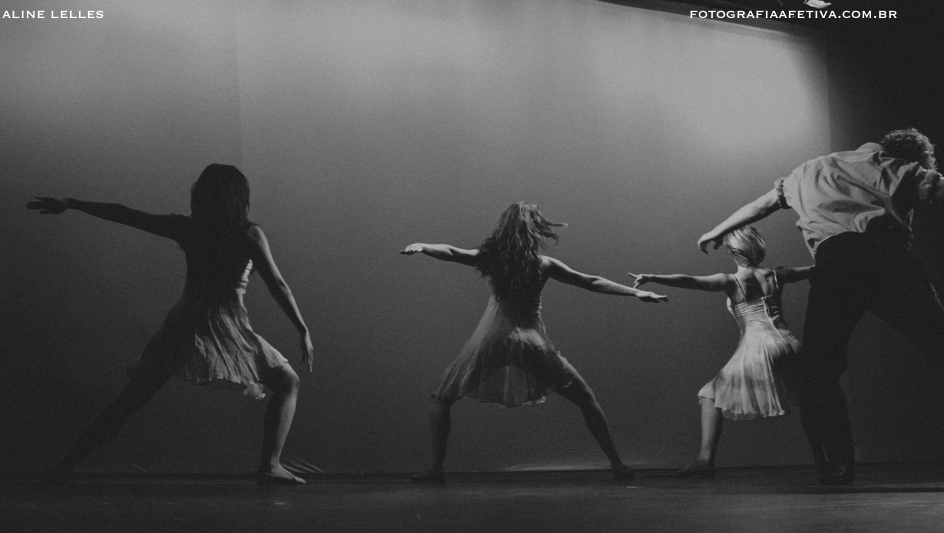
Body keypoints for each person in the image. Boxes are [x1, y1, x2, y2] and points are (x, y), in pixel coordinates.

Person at [27, 164, 314, 485]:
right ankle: (270, 465)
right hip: (223, 326)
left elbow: (128, 214)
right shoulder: (248, 235)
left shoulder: (189, 228)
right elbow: (278, 284)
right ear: (240, 199)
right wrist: (301, 329)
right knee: (288, 382)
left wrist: (72, 203)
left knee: (129, 401)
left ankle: (64, 467)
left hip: (185, 325)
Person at [697, 129, 944, 485]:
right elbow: (934, 187)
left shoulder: (806, 171)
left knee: (819, 371)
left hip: (837, 265)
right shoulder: (896, 166)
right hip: (888, 259)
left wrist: (717, 230)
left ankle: (840, 466)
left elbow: (763, 204)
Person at [400, 201, 668, 482]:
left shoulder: (490, 259)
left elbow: (454, 252)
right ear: (534, 232)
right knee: (586, 400)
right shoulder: (543, 264)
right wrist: (634, 293)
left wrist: (423, 245)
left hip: (495, 339)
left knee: (440, 399)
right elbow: (589, 281)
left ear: (502, 230)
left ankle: (436, 468)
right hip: (531, 342)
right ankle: (618, 465)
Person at [630, 227, 810, 477]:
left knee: (709, 394)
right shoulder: (778, 274)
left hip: (760, 347)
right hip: (789, 343)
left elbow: (691, 281)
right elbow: (816, 270)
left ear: (735, 251)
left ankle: (705, 460)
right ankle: (831, 455)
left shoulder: (732, 281)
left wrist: (652, 276)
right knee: (808, 398)